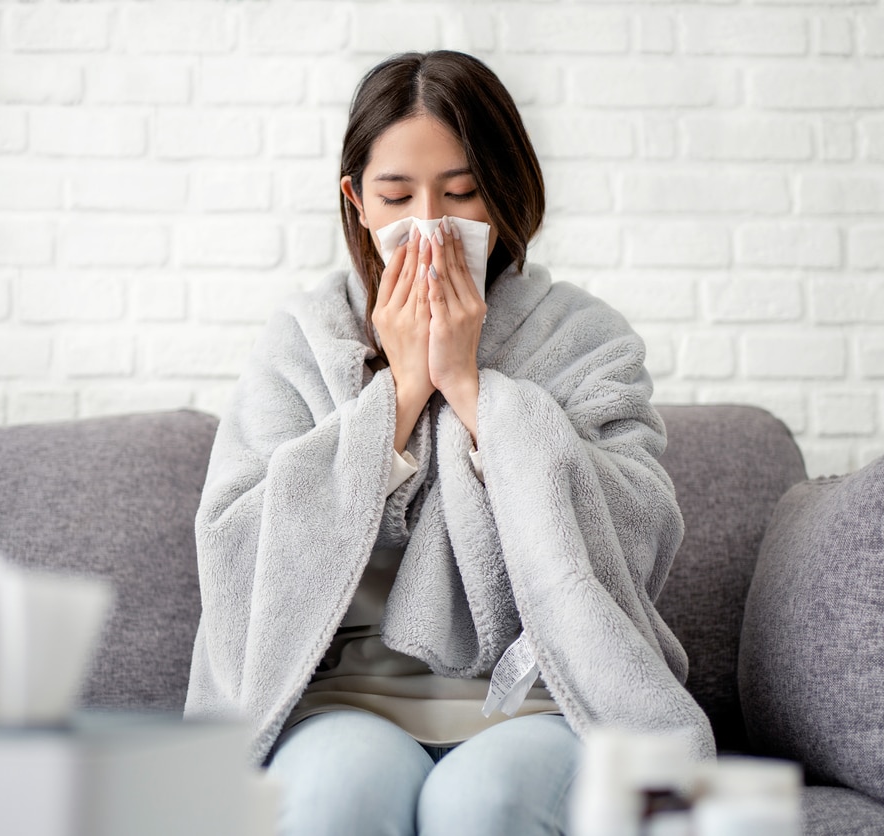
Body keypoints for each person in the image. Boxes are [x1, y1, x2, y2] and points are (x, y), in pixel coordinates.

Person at [184, 50, 714, 836]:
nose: (429, 225)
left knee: (480, 805)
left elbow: (637, 534)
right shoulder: (301, 342)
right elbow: (233, 546)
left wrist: (473, 392)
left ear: (501, 199)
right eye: (397, 196)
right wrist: (398, 396)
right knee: (336, 793)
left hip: (550, 698)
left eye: (461, 194)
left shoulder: (584, 339)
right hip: (341, 703)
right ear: (357, 202)